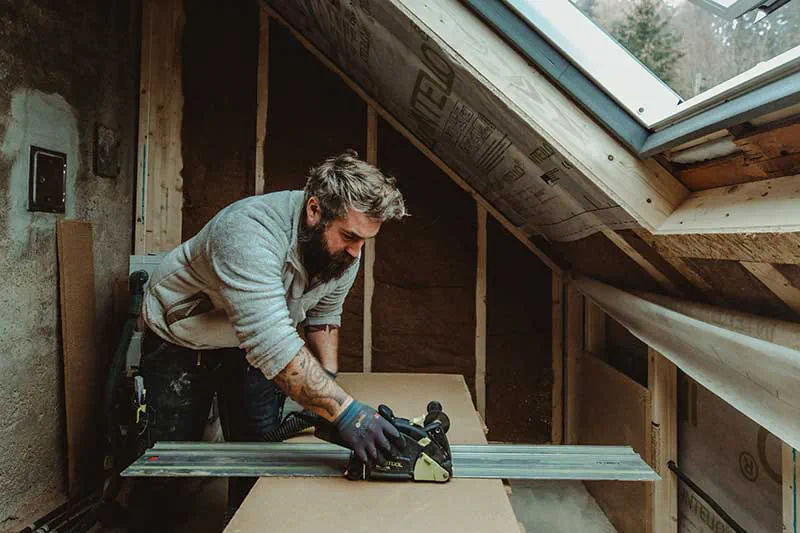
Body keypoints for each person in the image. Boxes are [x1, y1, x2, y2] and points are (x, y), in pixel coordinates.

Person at [129, 150, 407, 531]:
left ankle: (245, 523)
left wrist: (328, 384)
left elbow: (324, 314)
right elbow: (272, 342)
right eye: (350, 237)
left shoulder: (345, 253)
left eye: (365, 241)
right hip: (182, 340)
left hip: (248, 344)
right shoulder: (248, 230)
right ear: (314, 210)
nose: (357, 252)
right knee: (169, 461)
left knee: (260, 451)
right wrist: (346, 412)